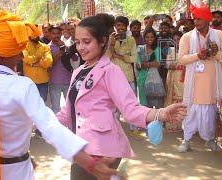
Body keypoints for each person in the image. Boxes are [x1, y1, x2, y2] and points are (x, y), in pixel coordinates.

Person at [0, 11, 121, 180]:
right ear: (8, 52)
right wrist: (90, 163)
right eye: (19, 47)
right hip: (16, 171)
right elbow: (49, 127)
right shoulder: (22, 86)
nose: (22, 54)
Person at [57, 14, 187, 180]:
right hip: (80, 147)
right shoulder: (78, 71)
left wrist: (160, 114)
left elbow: (131, 109)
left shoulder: (110, 71)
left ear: (103, 41)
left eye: (87, 41)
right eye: (78, 41)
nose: (81, 47)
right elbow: (67, 111)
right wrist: (39, 122)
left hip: (103, 149)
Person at [177, 4, 222, 153]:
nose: (196, 22)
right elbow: (181, 59)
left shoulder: (219, 35)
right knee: (191, 110)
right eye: (195, 19)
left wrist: (215, 53)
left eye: (199, 19)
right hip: (194, 84)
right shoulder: (187, 37)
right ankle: (186, 140)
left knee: (210, 112)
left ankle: (210, 140)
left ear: (207, 20)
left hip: (211, 83)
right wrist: (198, 56)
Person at [137, 28, 164, 108]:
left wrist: (145, 64)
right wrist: (151, 64)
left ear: (155, 38)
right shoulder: (140, 48)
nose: (150, 39)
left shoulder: (157, 49)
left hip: (156, 80)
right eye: (147, 37)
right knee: (145, 106)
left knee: (158, 105)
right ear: (144, 38)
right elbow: (138, 64)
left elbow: (158, 64)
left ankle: (158, 120)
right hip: (143, 79)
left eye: (152, 37)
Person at [164, 31, 184, 132]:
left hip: (183, 79)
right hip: (172, 78)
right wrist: (179, 66)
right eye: (175, 40)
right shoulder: (171, 50)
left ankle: (181, 125)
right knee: (172, 101)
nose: (177, 41)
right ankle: (172, 124)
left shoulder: (187, 50)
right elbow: (168, 65)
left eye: (179, 39)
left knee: (182, 101)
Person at [49, 25, 72, 113]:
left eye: (58, 33)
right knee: (56, 109)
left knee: (70, 108)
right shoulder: (47, 48)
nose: (56, 35)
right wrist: (61, 50)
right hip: (54, 82)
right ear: (50, 35)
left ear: (61, 33)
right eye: (53, 33)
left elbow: (74, 59)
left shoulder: (67, 45)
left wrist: (65, 47)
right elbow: (51, 63)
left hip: (68, 80)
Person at [22, 35, 53, 102]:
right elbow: (26, 59)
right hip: (30, 81)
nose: (35, 35)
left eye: (36, 34)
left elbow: (49, 61)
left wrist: (33, 64)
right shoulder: (24, 46)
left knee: (42, 102)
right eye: (33, 34)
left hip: (43, 81)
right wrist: (38, 57)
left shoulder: (44, 46)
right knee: (31, 103)